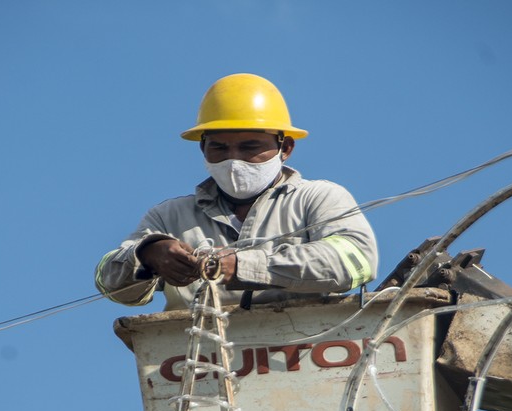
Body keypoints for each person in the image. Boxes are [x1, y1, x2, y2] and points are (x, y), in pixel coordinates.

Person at [95, 73, 378, 310]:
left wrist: (241, 266)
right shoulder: (169, 216)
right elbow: (111, 285)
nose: (233, 159)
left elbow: (357, 261)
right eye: (219, 147)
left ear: (286, 148)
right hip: (198, 355)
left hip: (302, 351)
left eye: (250, 147)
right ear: (202, 148)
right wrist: (147, 254)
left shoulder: (318, 198)